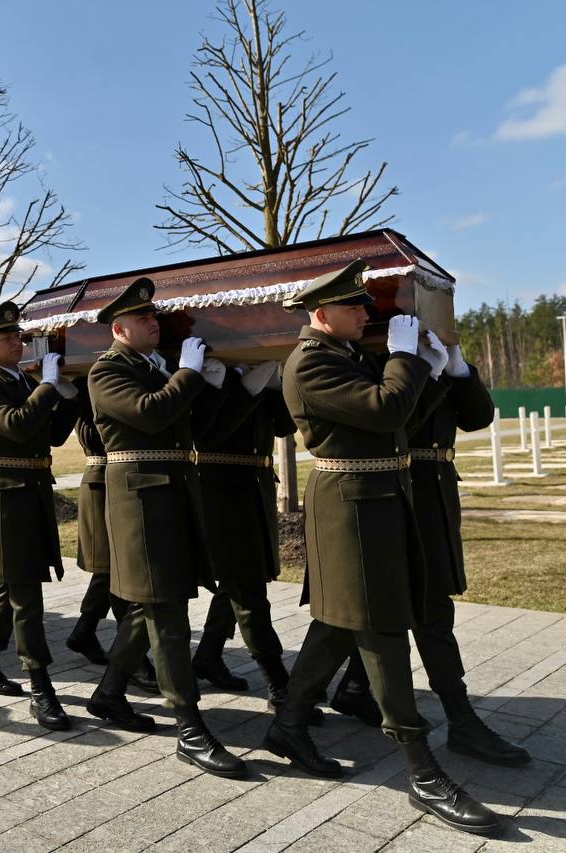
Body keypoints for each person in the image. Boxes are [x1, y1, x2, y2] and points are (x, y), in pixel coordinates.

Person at [265, 260, 501, 835]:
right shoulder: (310, 361)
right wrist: (407, 359)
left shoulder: (342, 355)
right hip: (349, 508)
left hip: (378, 500)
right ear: (322, 314)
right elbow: (385, 408)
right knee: (381, 631)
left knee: (340, 623)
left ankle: (289, 722)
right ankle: (422, 772)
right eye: (355, 307)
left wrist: (440, 372)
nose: (368, 313)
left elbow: (402, 421)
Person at [317, 345, 530, 767]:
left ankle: (346, 692)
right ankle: (460, 719)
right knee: (415, 607)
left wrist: (460, 370)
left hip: (436, 489)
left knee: (405, 606)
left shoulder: (425, 355)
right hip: (399, 488)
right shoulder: (379, 360)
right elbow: (395, 420)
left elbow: (478, 417)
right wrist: (425, 374)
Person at [86, 277, 245, 777]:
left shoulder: (152, 366)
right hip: (141, 504)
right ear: (119, 328)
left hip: (172, 497)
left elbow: (191, 424)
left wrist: (216, 385)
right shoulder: (106, 371)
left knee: (151, 605)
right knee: (167, 615)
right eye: (144, 319)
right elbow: (152, 414)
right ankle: (190, 728)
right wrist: (190, 374)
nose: (155, 324)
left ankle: (110, 693)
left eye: (156, 317)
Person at [0, 302, 78, 731]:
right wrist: (47, 387)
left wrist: (66, 392)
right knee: (26, 591)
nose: (19, 342)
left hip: (29, 493)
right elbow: (15, 425)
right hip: (4, 499)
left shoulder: (22, 381)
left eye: (20, 336)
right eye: (9, 338)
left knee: (14, 583)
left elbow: (50, 433)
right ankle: (41, 687)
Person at [191, 360, 300, 710]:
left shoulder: (256, 374)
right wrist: (243, 387)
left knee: (239, 583)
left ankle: (207, 655)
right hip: (220, 491)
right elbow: (206, 432)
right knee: (248, 588)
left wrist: (273, 385)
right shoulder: (209, 373)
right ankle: (279, 683)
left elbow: (284, 425)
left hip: (254, 489)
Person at [63, 379, 161, 694]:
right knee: (116, 571)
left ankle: (85, 630)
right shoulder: (93, 380)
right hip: (103, 479)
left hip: (117, 478)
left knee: (110, 568)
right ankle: (132, 660)